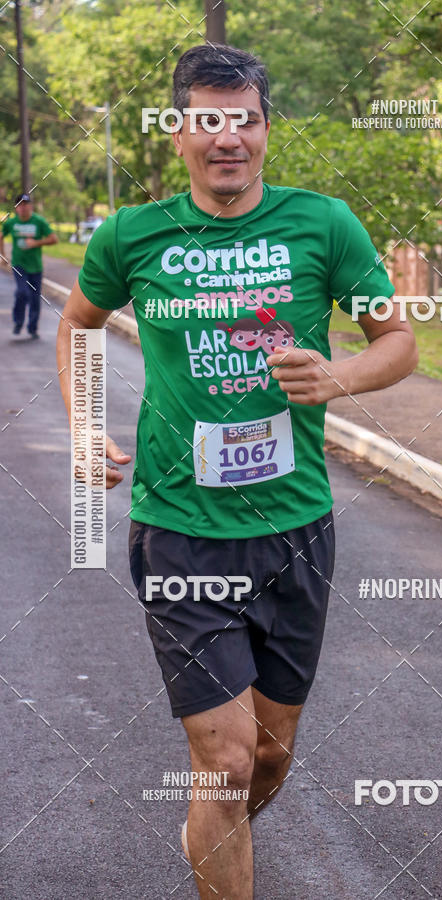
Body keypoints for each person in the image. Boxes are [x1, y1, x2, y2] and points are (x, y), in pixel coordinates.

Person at [56, 44, 418, 898]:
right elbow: (76, 325)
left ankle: (212, 837)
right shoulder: (133, 236)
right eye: (208, 121)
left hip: (294, 531)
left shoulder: (323, 224)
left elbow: (397, 342)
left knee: (265, 758)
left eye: (244, 120)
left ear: (264, 130)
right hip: (181, 535)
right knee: (220, 757)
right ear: (177, 133)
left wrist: (339, 376)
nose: (228, 139)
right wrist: (82, 429)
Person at [1, 193, 57, 338]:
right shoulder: (12, 223)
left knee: (34, 298)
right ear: (16, 208)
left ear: (30, 206)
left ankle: (32, 328)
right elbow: (1, 235)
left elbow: (53, 239)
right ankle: (18, 321)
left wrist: (36, 243)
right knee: (22, 292)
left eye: (25, 204)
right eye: (19, 205)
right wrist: (3, 256)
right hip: (19, 264)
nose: (23, 207)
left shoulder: (38, 221)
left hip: (36, 266)